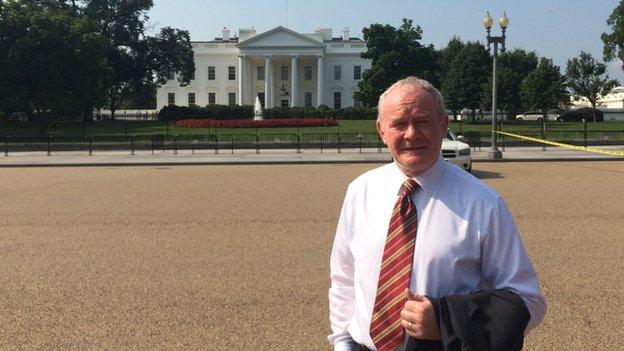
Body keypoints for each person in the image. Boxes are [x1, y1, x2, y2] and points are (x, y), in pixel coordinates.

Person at [328, 77, 546, 351]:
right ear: (381, 130)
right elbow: (344, 280)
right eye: (399, 124)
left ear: (443, 125)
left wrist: (447, 323)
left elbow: (528, 301)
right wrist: (342, 344)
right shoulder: (360, 191)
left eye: (422, 122)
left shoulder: (484, 203)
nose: (411, 134)